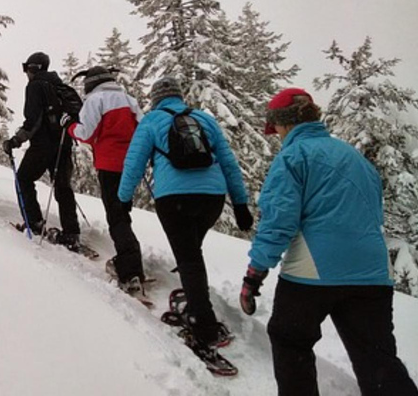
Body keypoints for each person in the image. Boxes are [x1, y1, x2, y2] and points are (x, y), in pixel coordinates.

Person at [240, 88, 417, 396]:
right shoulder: (356, 158)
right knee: (377, 358)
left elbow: (279, 220)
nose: (277, 135)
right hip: (373, 273)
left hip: (313, 272)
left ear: (285, 124)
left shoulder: (293, 156)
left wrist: (255, 273)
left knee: (289, 340)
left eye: (277, 128)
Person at [118, 76, 253, 351]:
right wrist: (240, 204)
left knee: (189, 257)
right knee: (192, 251)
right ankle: (196, 302)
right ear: (180, 96)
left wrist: (122, 199)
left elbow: (134, 163)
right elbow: (228, 163)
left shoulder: (152, 121)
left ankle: (203, 324)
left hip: (174, 199)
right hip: (211, 198)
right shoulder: (205, 119)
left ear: (156, 98)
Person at [66, 66, 146, 291]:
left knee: (116, 215)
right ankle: (131, 262)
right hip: (132, 164)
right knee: (123, 212)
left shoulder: (95, 100)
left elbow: (85, 133)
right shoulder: (129, 100)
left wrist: (69, 125)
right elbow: (143, 129)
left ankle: (130, 269)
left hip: (109, 165)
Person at [2, 52, 80, 250]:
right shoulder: (58, 85)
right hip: (64, 142)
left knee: (24, 179)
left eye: (27, 67)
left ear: (35, 68)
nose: (26, 72)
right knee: (63, 187)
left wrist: (16, 140)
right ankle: (71, 233)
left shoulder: (35, 86)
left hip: (43, 144)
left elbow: (33, 120)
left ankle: (34, 222)